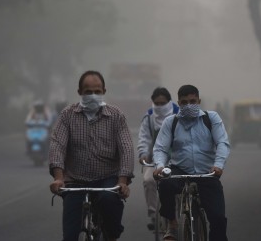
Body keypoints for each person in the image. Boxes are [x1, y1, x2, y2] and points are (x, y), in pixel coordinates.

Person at [49, 70, 134, 241]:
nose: (93, 95)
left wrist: (122, 182)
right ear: (80, 92)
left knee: (109, 203)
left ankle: (111, 234)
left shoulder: (116, 116)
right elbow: (57, 145)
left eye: (97, 91)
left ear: (104, 91)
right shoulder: (67, 115)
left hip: (107, 178)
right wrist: (58, 178)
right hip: (75, 180)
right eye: (88, 91)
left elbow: (126, 149)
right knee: (70, 234)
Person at [152, 84, 230, 241]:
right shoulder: (170, 122)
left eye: (193, 101)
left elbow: (222, 142)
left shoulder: (211, 118)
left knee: (218, 218)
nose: (189, 105)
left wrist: (218, 165)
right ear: (179, 103)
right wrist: (159, 166)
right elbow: (160, 148)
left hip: (208, 173)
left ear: (199, 101)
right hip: (180, 170)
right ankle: (172, 224)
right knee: (165, 184)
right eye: (185, 102)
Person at [137, 87, 179, 230]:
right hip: (153, 159)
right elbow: (144, 138)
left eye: (163, 103)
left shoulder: (179, 114)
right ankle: (154, 214)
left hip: (176, 159)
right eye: (157, 103)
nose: (160, 107)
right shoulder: (149, 117)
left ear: (169, 102)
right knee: (149, 180)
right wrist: (143, 153)